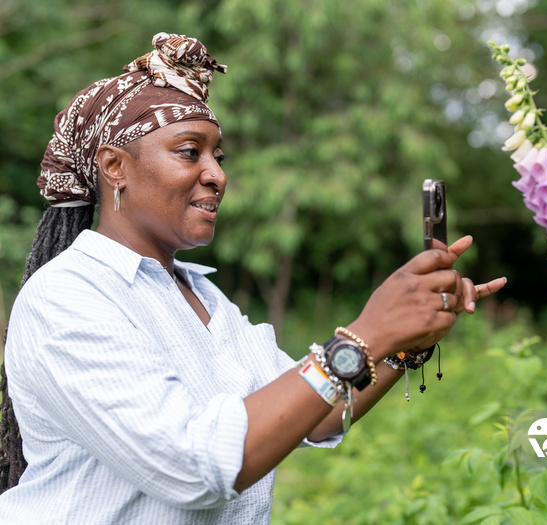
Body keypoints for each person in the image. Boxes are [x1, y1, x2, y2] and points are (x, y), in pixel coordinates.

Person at [0, 33, 506, 524]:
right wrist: (368, 333)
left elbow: (320, 408)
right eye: (188, 151)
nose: (217, 174)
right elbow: (195, 466)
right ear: (115, 166)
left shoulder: (204, 296)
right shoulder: (65, 298)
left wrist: (403, 342)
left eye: (218, 156)